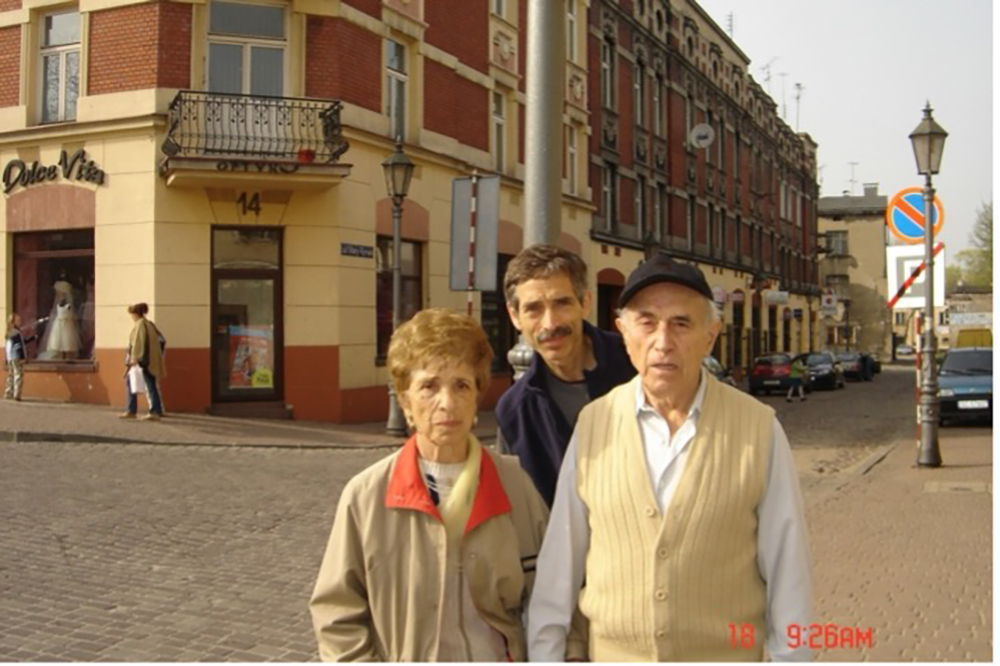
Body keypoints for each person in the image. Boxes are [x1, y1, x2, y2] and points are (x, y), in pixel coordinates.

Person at [528, 254, 813, 662]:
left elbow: (789, 571)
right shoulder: (594, 425)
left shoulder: (758, 429)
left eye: (681, 323)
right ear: (624, 334)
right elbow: (560, 566)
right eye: (647, 322)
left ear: (710, 335)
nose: (663, 342)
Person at [310, 308, 569, 661]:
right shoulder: (366, 496)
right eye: (429, 386)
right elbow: (337, 613)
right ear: (405, 402)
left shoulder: (514, 485)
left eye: (461, 385)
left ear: (477, 397)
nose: (447, 403)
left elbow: (552, 595)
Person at [495, 245, 635, 506]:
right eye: (533, 309)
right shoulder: (516, 412)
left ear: (585, 303)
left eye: (562, 303)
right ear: (515, 316)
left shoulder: (636, 366)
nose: (550, 323)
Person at [120, 303, 165, 421]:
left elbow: (138, 343)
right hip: (148, 359)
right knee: (143, 383)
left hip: (143, 360)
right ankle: (133, 409)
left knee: (149, 384)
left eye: (132, 314)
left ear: (136, 313)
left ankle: (152, 411)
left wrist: (134, 357)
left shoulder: (141, 325)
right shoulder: (148, 324)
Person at [5, 313, 36, 401]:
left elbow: (19, 343)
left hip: (10, 357)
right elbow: (18, 346)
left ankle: (8, 393)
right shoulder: (16, 333)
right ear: (13, 322)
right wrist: (22, 357)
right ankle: (17, 394)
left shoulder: (10, 332)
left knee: (10, 375)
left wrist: (32, 338)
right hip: (16, 357)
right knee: (18, 375)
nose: (20, 322)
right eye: (18, 320)